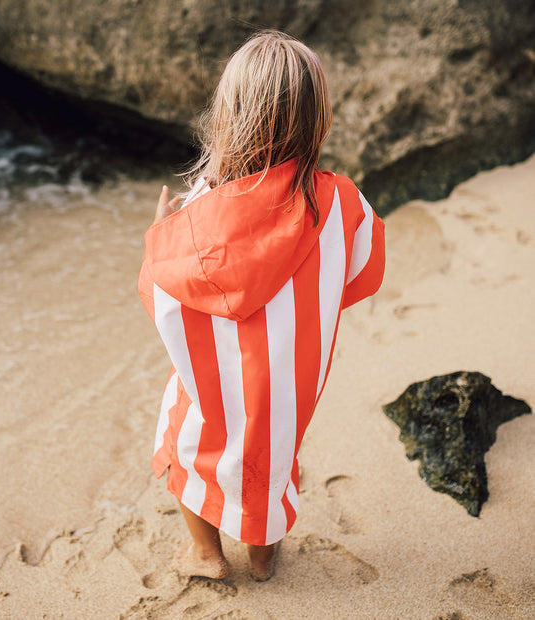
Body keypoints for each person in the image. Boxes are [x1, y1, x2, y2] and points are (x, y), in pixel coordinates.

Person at [138, 30, 385, 582]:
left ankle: (206, 554)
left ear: (227, 116)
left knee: (188, 448)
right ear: (317, 120)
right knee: (271, 464)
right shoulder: (343, 201)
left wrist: (160, 238)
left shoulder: (201, 205)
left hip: (214, 382)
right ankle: (263, 556)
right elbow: (362, 274)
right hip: (288, 386)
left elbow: (164, 297)